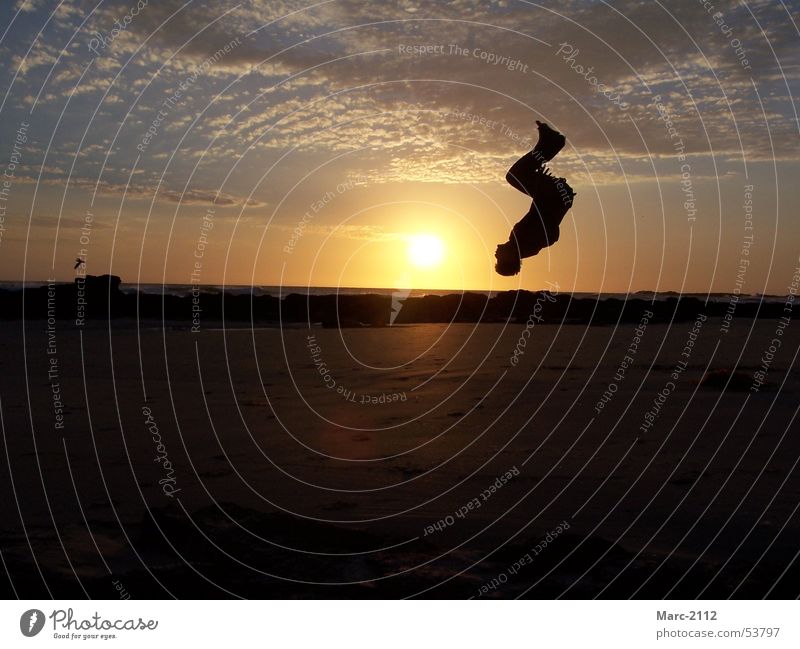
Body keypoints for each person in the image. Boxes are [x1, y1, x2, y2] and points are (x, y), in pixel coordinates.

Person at [495, 121, 575, 276]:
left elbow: (549, 231)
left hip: (555, 196)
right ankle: (551, 143)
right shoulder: (524, 242)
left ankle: (549, 142)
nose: (496, 255)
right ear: (510, 259)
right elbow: (544, 220)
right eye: (499, 260)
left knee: (517, 175)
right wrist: (541, 188)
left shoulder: (521, 244)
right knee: (515, 176)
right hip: (554, 196)